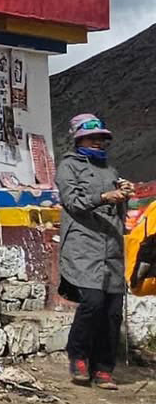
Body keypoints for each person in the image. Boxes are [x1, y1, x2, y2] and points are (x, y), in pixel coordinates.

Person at [56, 114, 135, 389]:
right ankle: (78, 356)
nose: (99, 143)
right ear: (79, 139)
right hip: (83, 244)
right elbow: (73, 202)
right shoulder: (69, 167)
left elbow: (119, 212)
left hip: (111, 246)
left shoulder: (110, 171)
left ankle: (104, 368)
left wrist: (124, 195)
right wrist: (103, 197)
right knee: (92, 302)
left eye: (102, 139)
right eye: (93, 138)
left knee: (113, 310)